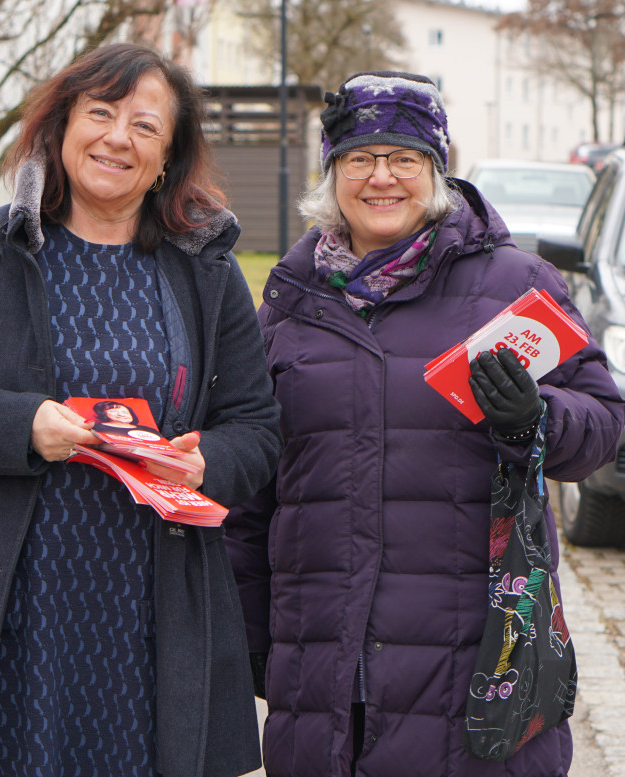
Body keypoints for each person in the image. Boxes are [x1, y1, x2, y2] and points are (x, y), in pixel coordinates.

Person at [0, 43, 281, 777]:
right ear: (59, 127)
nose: (118, 137)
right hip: (15, 605)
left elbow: (257, 429)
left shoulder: (206, 272)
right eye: (101, 112)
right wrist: (23, 424)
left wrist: (203, 460)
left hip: (155, 609)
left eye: (145, 126)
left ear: (166, 160)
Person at [224, 71, 625, 777]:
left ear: (436, 171)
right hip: (325, 672)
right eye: (360, 159)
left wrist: (537, 418)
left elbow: (603, 423)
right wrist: (251, 631)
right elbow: (255, 492)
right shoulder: (289, 303)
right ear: (333, 174)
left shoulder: (514, 283)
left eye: (404, 159)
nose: (382, 178)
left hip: (472, 660)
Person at [92, 399, 161, 439]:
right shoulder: (97, 428)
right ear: (104, 415)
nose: (121, 414)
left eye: (125, 412)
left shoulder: (149, 430)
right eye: (113, 411)